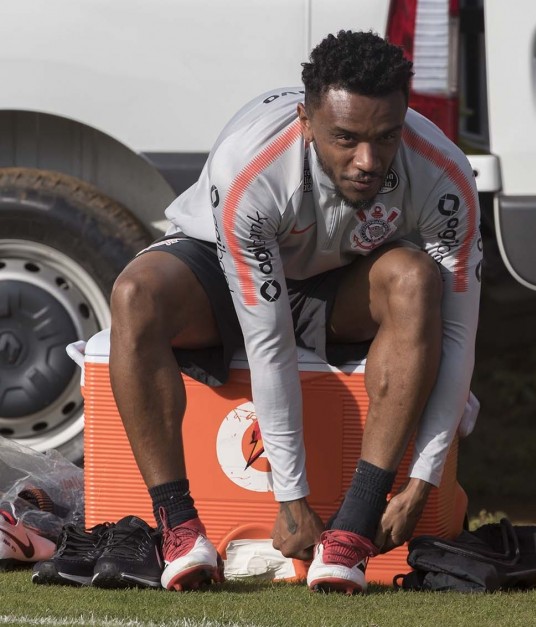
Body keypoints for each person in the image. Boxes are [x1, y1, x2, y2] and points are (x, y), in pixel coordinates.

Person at [106, 30, 481, 594]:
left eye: (386, 137)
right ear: (305, 121)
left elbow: (457, 334)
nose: (368, 160)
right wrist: (291, 497)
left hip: (339, 283)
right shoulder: (251, 169)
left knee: (415, 281)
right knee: (135, 295)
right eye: (346, 138)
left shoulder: (445, 174)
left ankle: (352, 532)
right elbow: (270, 344)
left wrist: (423, 481)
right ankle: (179, 529)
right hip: (225, 266)